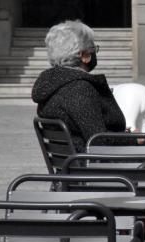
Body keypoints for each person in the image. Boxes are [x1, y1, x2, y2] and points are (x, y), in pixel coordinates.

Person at [32, 20, 133, 152]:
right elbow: (99, 141)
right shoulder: (78, 89)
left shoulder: (52, 85)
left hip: (74, 163)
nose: (94, 53)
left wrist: (119, 134)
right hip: (93, 165)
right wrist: (132, 139)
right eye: (93, 49)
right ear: (83, 55)